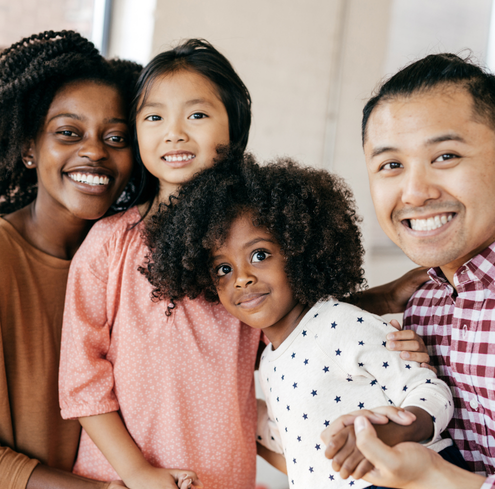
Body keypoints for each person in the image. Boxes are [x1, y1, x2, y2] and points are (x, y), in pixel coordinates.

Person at [58, 38, 430, 489]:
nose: (174, 132)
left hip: (225, 474)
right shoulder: (109, 245)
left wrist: (379, 307)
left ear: (233, 129)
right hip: (122, 476)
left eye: (196, 114)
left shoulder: (251, 243)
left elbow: (297, 326)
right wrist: (138, 474)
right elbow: (82, 380)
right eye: (154, 117)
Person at [141, 152, 460, 489]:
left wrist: (392, 432)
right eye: (223, 268)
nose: (242, 278)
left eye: (259, 255)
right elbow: (295, 440)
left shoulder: (341, 324)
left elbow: (429, 390)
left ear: (300, 250)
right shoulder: (270, 362)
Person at [322, 53, 495, 489]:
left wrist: (439, 478)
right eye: (391, 165)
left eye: (445, 156)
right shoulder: (423, 303)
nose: (415, 193)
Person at [0, 31, 142, 489]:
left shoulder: (135, 259)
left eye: (116, 137)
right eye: (68, 132)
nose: (95, 150)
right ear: (28, 148)